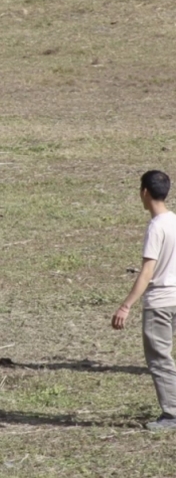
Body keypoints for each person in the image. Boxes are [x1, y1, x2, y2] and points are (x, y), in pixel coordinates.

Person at [111, 171, 176, 432]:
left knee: (160, 359)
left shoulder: (156, 226)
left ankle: (172, 415)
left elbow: (147, 271)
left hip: (160, 302)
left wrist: (125, 305)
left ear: (145, 192)